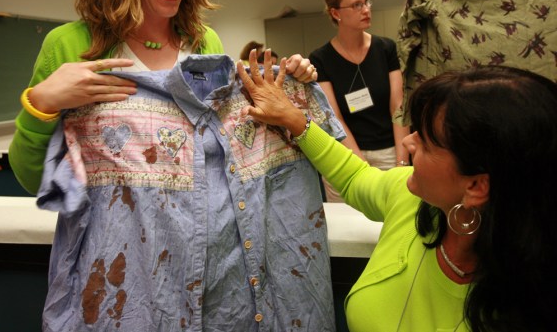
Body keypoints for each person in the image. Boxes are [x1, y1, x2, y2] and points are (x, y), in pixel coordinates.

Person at [8, 0, 316, 195]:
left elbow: (227, 155)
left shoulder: (204, 42)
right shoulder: (69, 46)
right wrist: (41, 104)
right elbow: (36, 181)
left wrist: (286, 88)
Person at [238, 50, 557, 332]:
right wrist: (296, 120)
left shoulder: (525, 306)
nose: (407, 142)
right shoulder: (412, 199)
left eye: (427, 142)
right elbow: (354, 177)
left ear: (475, 186)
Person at [309, 0, 409, 201]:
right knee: (348, 227)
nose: (366, 10)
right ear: (336, 14)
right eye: (357, 5)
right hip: (346, 155)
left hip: (388, 152)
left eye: (367, 2)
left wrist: (402, 162)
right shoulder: (321, 58)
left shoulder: (386, 49)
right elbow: (333, 116)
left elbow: (398, 105)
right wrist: (359, 165)